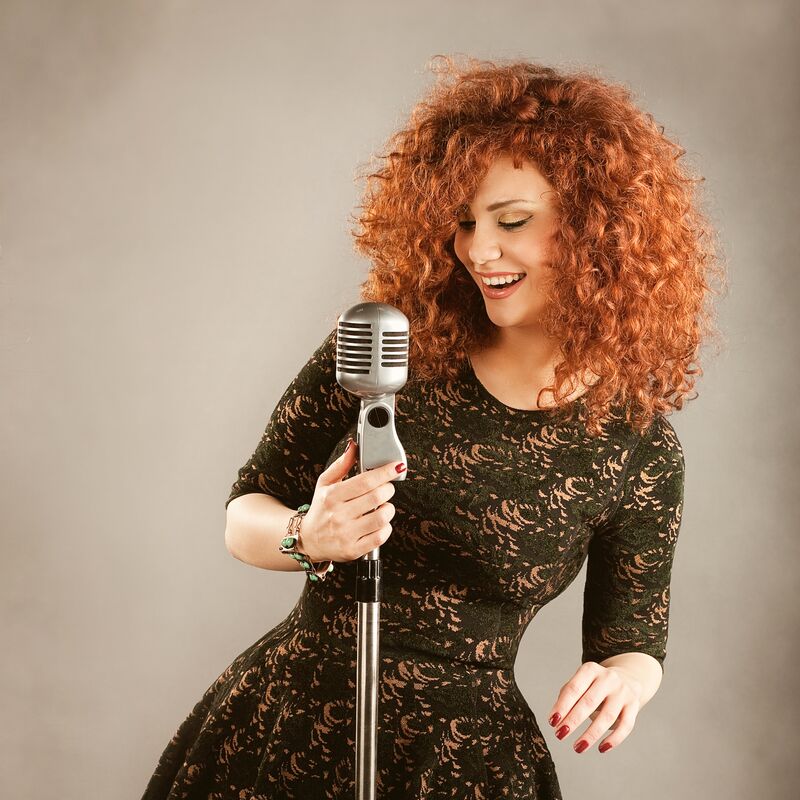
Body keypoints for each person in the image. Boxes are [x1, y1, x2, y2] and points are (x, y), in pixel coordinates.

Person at [141, 55, 725, 799]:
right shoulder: (389, 350)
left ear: (598, 231)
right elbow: (244, 513)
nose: (480, 251)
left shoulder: (638, 447)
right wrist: (306, 537)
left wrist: (626, 683)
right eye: (462, 223)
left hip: (466, 766)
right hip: (290, 729)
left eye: (512, 222)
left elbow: (632, 641)